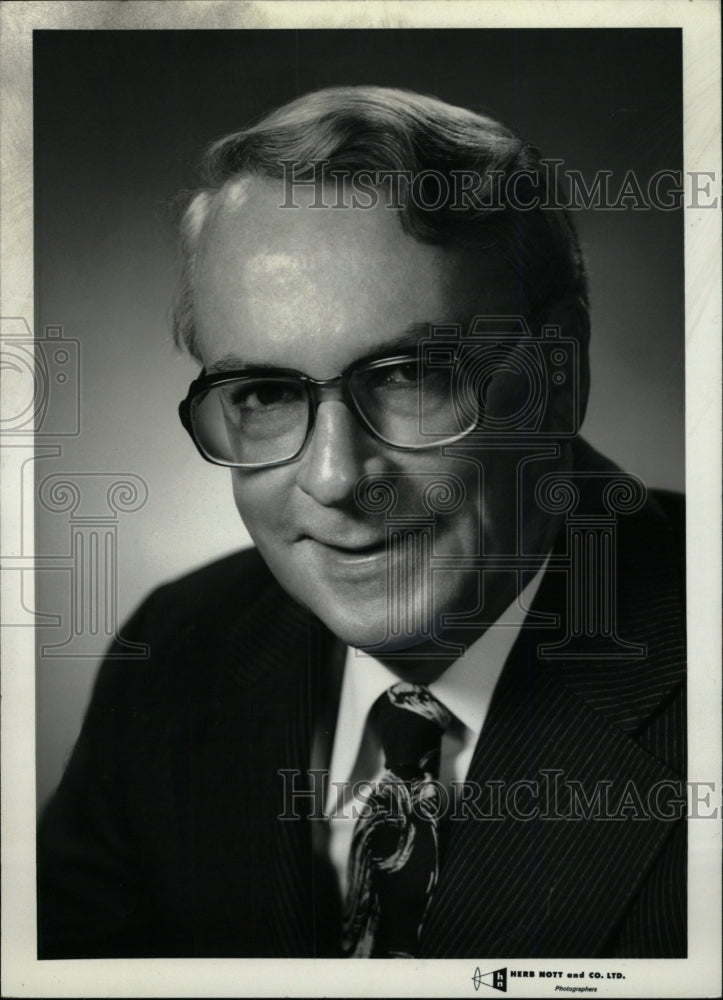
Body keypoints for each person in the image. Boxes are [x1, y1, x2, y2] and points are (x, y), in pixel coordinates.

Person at [37, 86, 686, 959]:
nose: (337, 479)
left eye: (411, 375)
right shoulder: (175, 655)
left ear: (556, 378)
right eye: (265, 393)